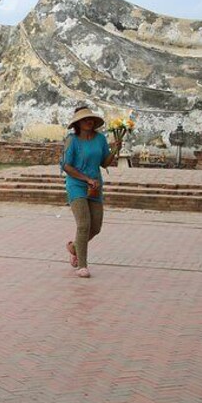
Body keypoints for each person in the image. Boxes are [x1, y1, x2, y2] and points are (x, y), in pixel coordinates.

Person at [62, 106, 120, 278]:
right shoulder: (72, 140)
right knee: (84, 224)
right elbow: (66, 165)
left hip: (95, 186)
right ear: (78, 123)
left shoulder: (100, 139)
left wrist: (115, 149)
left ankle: (74, 247)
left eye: (91, 119)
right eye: (85, 119)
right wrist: (86, 179)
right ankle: (82, 265)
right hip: (76, 185)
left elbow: (105, 163)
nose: (89, 121)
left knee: (95, 227)